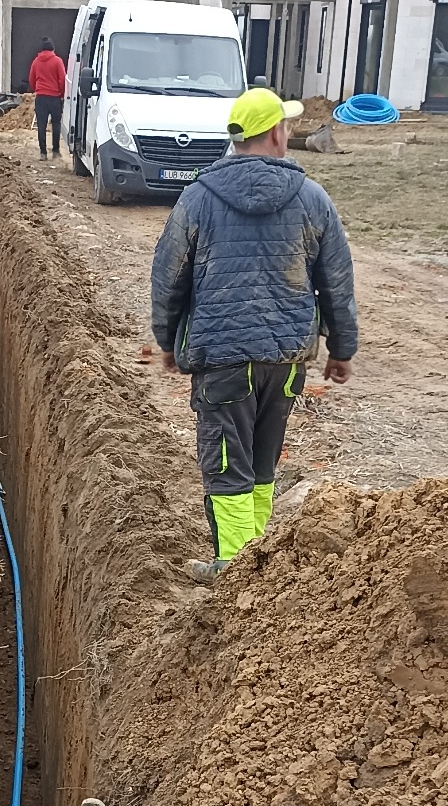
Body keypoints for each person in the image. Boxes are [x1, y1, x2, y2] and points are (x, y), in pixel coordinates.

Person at [151, 87, 358, 580]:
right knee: (263, 459)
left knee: (227, 464)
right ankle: (256, 567)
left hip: (222, 360)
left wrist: (167, 339)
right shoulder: (312, 199)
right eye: (285, 125)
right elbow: (337, 281)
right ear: (274, 133)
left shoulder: (198, 198)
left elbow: (168, 276)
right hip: (285, 360)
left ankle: (236, 570)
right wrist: (341, 348)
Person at [27, 36, 67, 160]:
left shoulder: (36, 62)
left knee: (41, 125)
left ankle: (43, 153)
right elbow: (62, 79)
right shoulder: (57, 61)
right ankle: (55, 151)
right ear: (52, 48)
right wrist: (61, 94)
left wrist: (37, 90)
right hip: (54, 97)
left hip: (41, 98)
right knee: (56, 124)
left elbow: (31, 80)